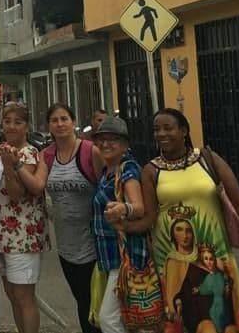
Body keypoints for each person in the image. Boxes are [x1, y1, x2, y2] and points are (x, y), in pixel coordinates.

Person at [119, 108, 239, 333]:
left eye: (168, 128)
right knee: (186, 322)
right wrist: (123, 225)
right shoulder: (151, 171)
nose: (161, 134)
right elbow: (150, 218)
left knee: (223, 319)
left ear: (184, 131)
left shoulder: (208, 159)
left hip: (215, 259)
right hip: (172, 263)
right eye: (156, 129)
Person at [22, 104, 103, 333]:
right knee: (81, 300)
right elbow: (36, 188)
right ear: (48, 125)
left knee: (97, 303)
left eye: (64, 119)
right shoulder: (46, 156)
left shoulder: (89, 152)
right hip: (66, 245)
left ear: (73, 121)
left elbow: (105, 188)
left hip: (94, 242)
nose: (60, 124)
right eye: (54, 120)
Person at [0, 101, 48, 333]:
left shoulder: (29, 154)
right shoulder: (0, 149)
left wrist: (9, 166)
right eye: (7, 121)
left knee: (24, 296)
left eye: (18, 122)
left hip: (23, 236)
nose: (11, 127)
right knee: (11, 293)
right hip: (1, 234)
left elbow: (17, 194)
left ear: (27, 127)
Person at [90, 117, 149, 333]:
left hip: (126, 255)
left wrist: (123, 209)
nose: (106, 144)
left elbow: (139, 207)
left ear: (124, 144)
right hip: (112, 256)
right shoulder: (107, 170)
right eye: (102, 139)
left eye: (112, 139)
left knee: (108, 319)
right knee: (127, 317)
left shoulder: (127, 169)